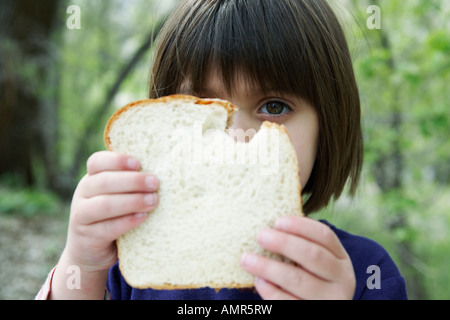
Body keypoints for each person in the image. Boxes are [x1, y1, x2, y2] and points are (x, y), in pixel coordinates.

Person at [36, 0, 407, 300]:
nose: (237, 137)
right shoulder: (128, 264)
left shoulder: (364, 273)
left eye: (274, 107)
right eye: (201, 105)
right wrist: (81, 267)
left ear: (329, 123)